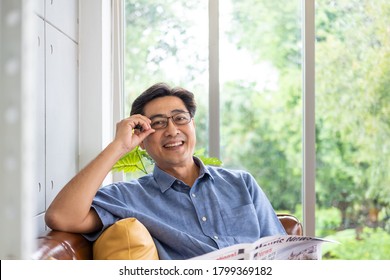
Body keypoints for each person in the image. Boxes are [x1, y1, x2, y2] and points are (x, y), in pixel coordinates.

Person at [45, 82, 286, 260]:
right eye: (158, 123)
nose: (172, 130)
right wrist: (118, 146)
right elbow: (61, 217)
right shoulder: (129, 198)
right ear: (141, 139)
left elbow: (280, 251)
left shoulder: (241, 182)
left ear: (193, 125)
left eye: (180, 118)